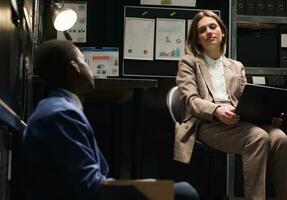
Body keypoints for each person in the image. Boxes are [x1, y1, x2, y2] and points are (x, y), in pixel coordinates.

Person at [22, 39, 199, 200]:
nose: (89, 67)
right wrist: (146, 188)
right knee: (185, 193)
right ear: (74, 69)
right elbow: (91, 188)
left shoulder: (55, 108)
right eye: (84, 60)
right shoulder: (61, 114)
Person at [174, 10, 287, 200]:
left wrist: (266, 114)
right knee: (257, 137)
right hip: (207, 123)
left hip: (237, 119)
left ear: (222, 32)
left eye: (213, 27)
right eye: (202, 30)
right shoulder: (189, 62)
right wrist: (216, 110)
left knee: (280, 138)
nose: (209, 31)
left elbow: (245, 99)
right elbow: (191, 100)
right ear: (197, 39)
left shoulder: (236, 66)